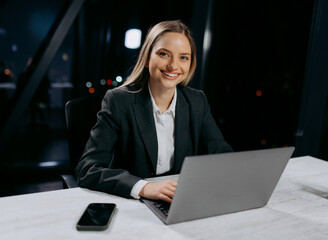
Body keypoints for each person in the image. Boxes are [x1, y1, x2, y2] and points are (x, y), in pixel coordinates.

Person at [75, 20, 232, 203]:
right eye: (164, 54)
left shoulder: (196, 101)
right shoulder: (118, 101)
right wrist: (144, 187)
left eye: (183, 57)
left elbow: (221, 154)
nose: (174, 65)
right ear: (148, 58)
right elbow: (88, 169)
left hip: (178, 200)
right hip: (132, 201)